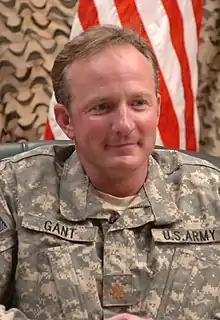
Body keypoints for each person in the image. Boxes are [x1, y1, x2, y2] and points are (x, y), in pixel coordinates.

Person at [0, 25, 220, 320]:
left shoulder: (213, 193)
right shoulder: (12, 188)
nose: (125, 125)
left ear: (157, 109)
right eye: (103, 107)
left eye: (139, 103)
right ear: (66, 120)